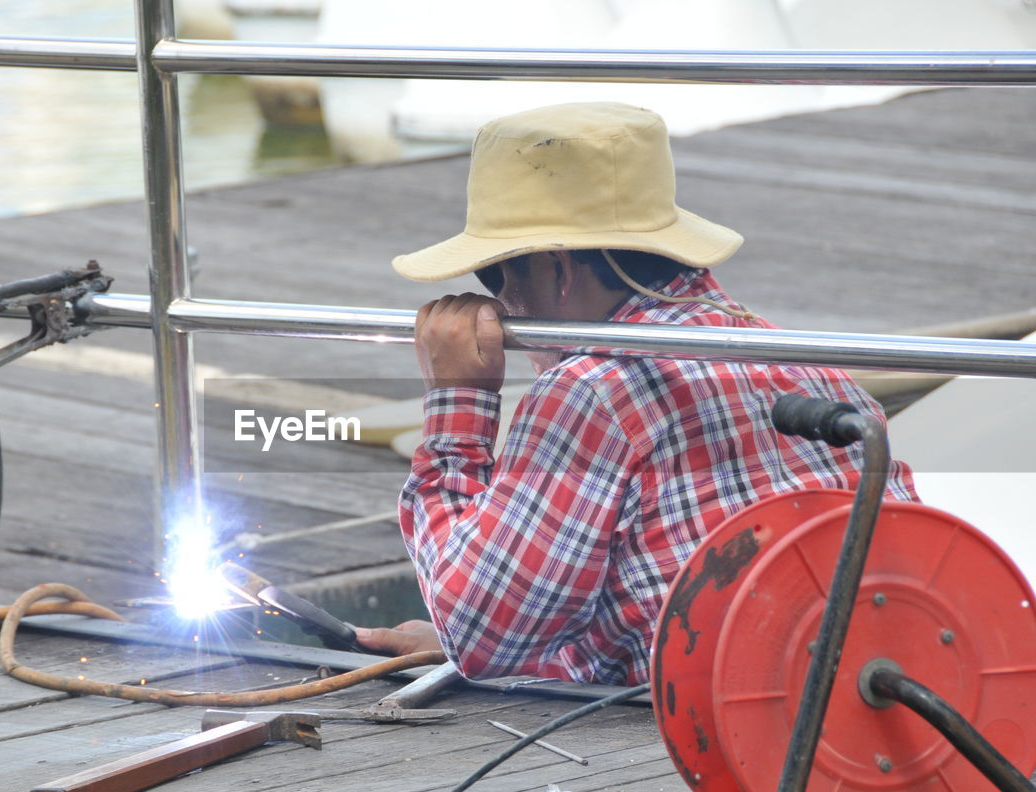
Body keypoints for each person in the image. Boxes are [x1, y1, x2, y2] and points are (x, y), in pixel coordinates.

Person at [353, 102, 917, 685]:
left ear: (558, 270)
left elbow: (478, 635)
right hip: (858, 686)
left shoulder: (589, 392)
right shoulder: (797, 359)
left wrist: (457, 400)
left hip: (727, 727)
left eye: (496, 276)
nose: (497, 304)